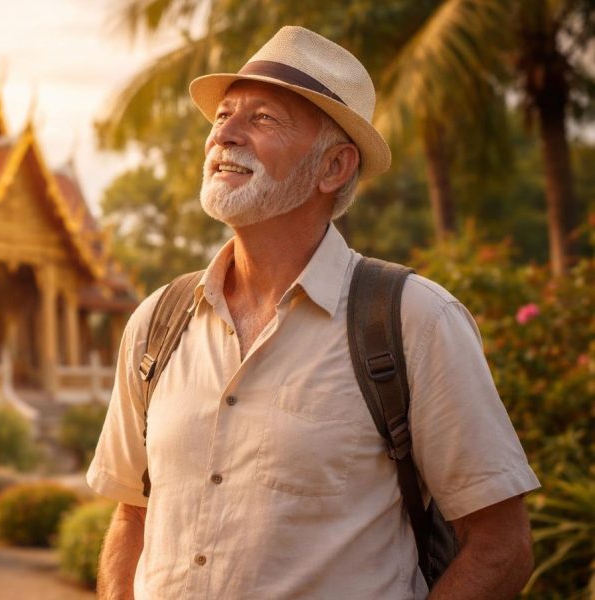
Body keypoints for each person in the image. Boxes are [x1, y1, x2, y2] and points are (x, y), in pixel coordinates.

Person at [86, 26, 540, 599]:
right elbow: (133, 514)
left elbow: (502, 546)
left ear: (334, 167)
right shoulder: (158, 322)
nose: (223, 134)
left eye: (263, 118)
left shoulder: (413, 322)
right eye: (223, 115)